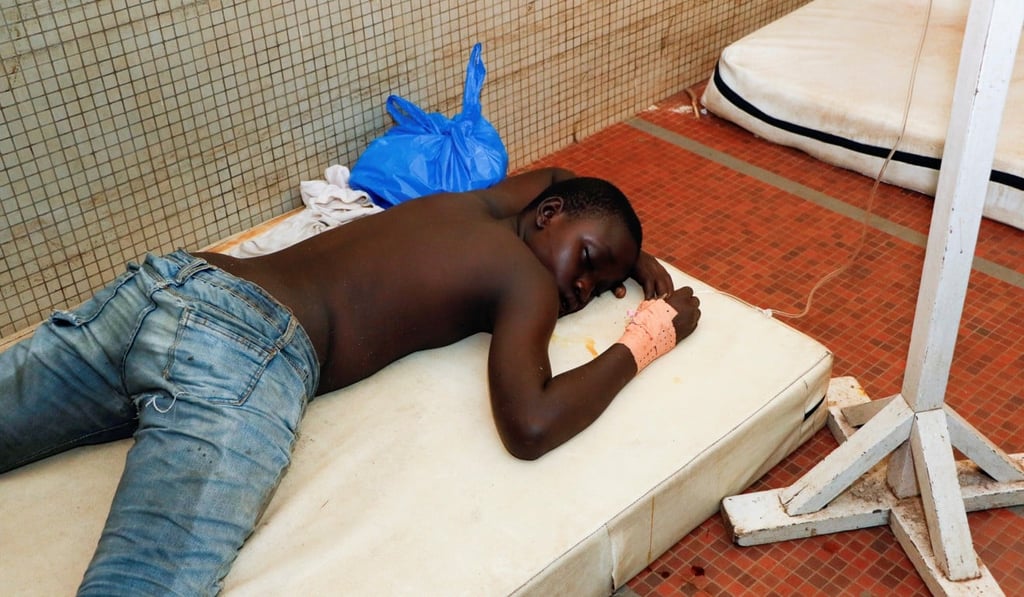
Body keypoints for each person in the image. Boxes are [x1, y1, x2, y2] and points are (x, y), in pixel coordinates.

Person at [0, 167, 700, 595]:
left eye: (597, 285)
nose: (580, 290)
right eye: (588, 263)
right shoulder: (526, 279)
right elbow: (532, 422)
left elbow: (561, 178)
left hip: (171, 284)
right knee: (149, 579)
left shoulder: (481, 205)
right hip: (243, 347)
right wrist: (646, 338)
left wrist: (626, 255)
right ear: (547, 217)